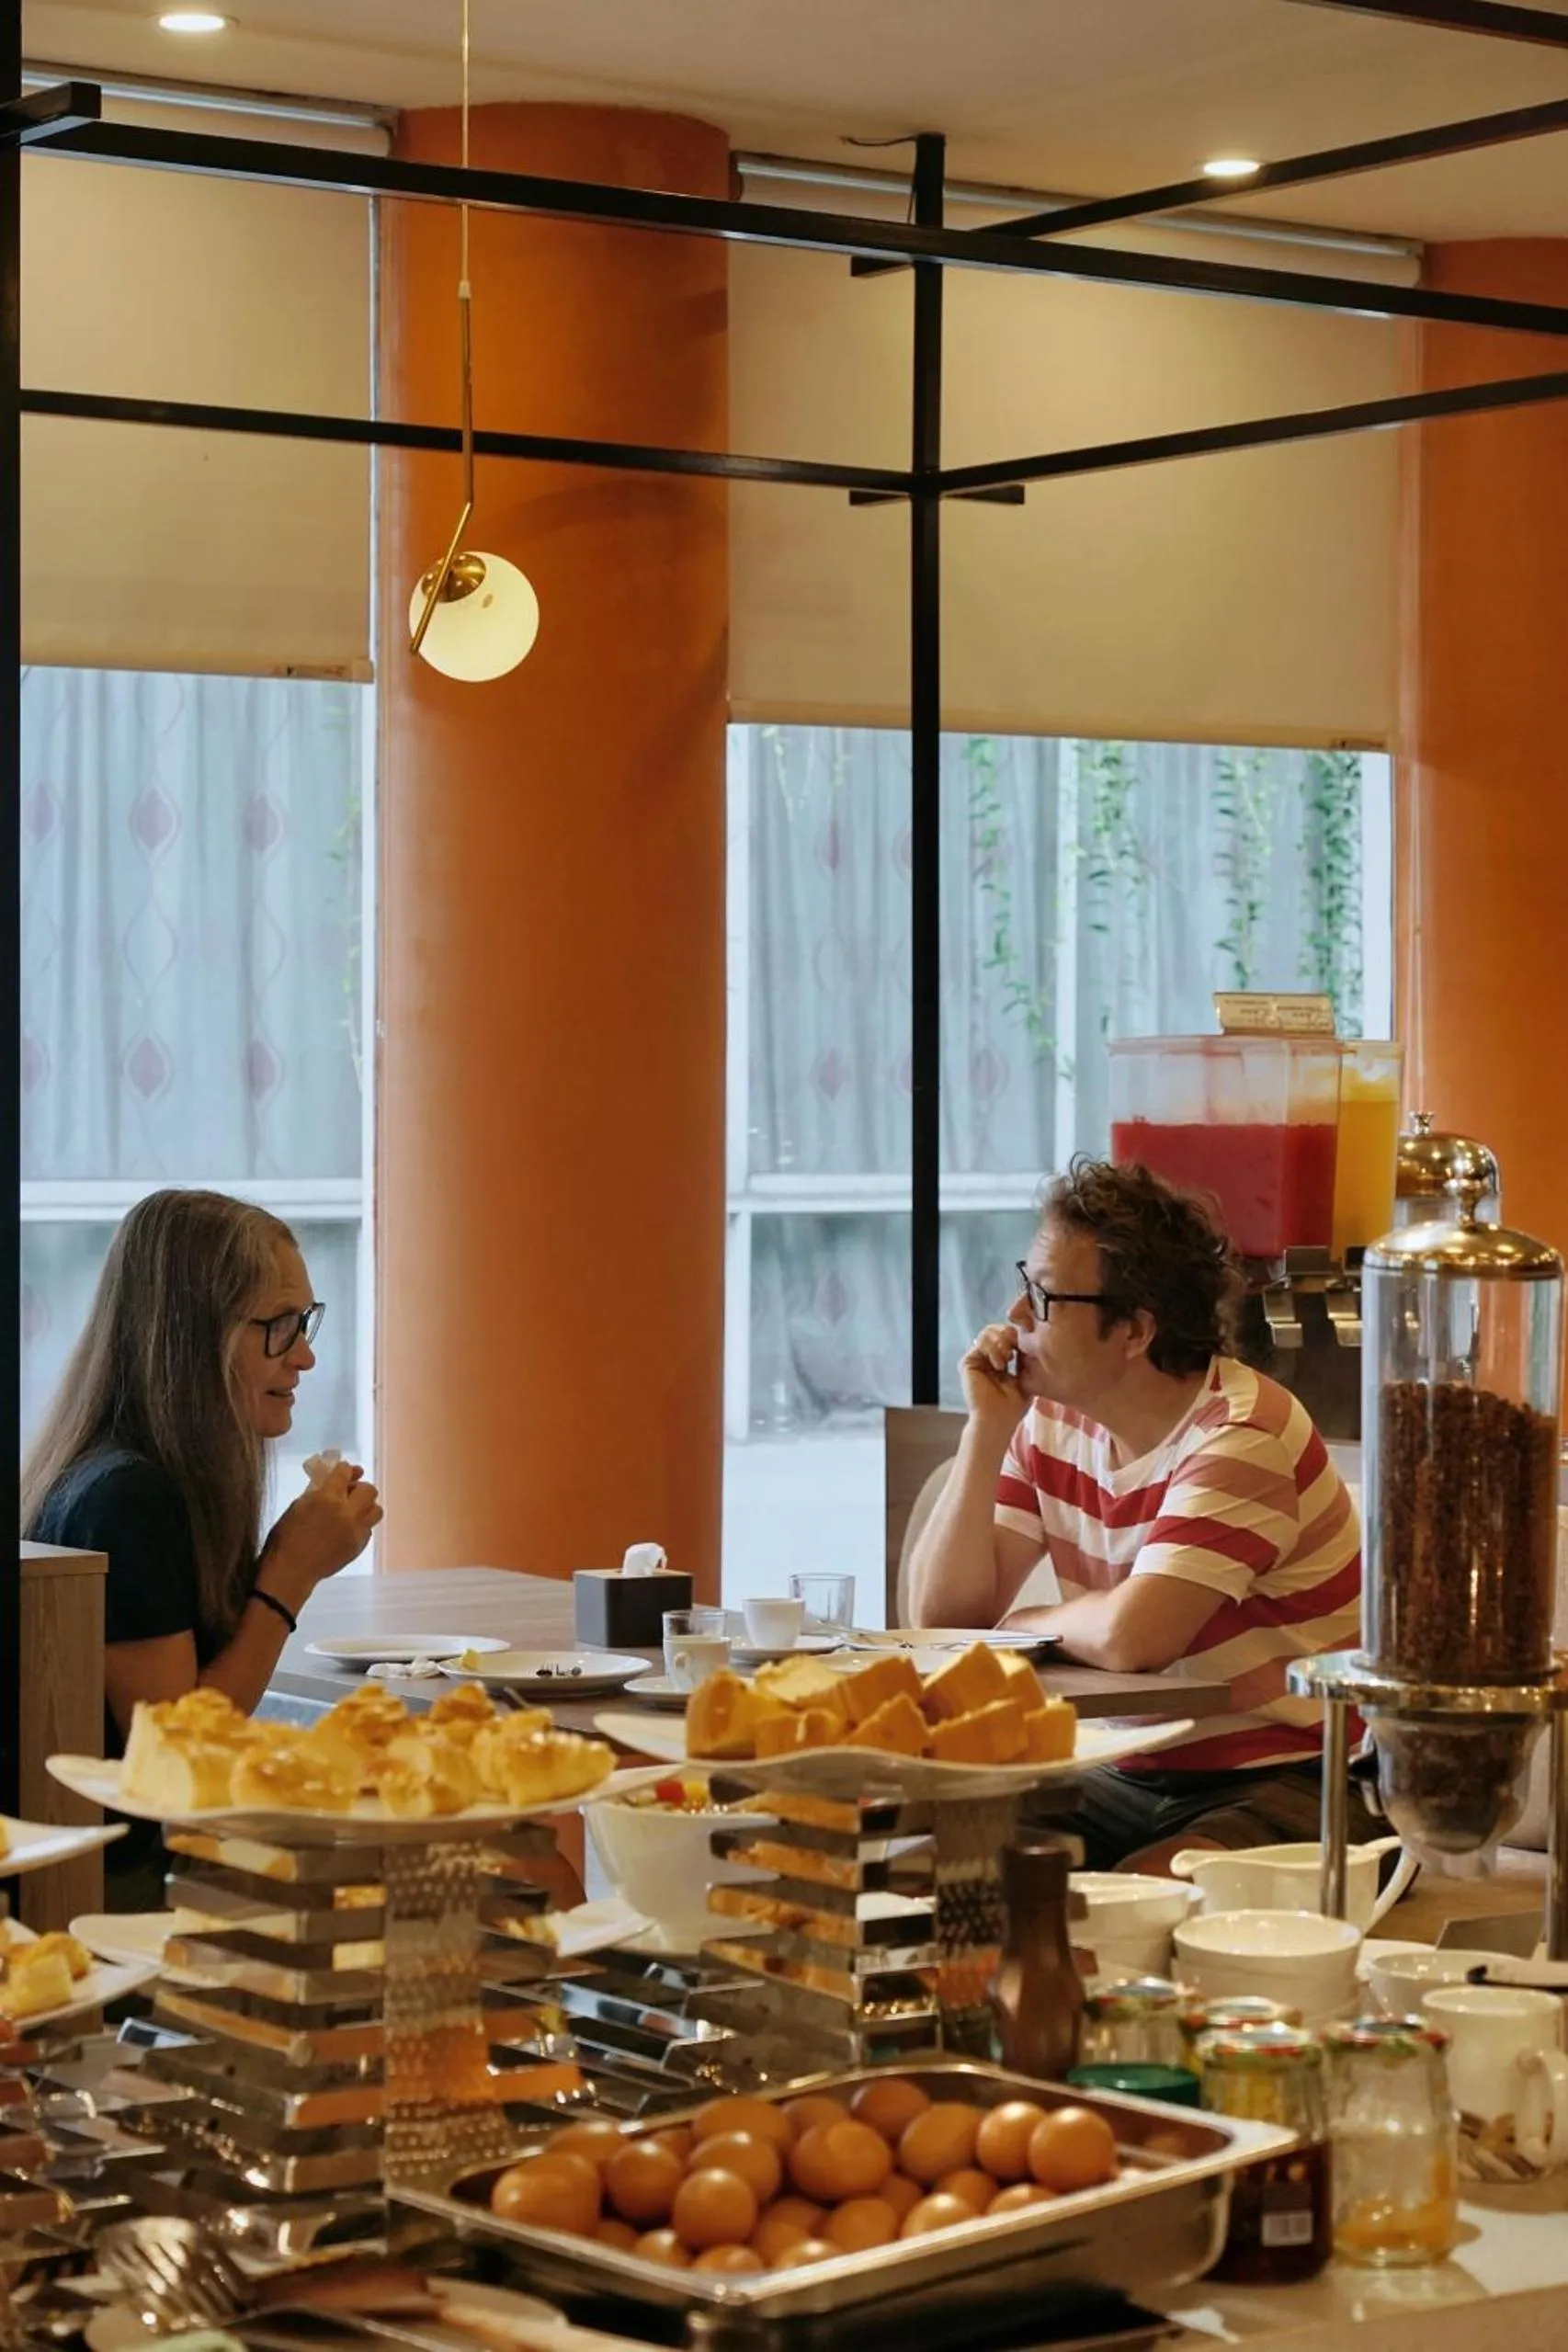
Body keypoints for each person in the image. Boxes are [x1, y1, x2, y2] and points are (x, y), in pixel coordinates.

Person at [907, 1157, 1372, 1873]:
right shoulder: (1052, 1420)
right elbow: (940, 1615)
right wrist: (985, 1430)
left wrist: (1024, 1627)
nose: (1016, 1316)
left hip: (1296, 1774)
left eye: (1046, 1297)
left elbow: (1135, 1636)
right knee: (929, 1854)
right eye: (1025, 1284)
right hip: (1130, 1766)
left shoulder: (1241, 1435)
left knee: (1141, 1896)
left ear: (1134, 1330)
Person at [21, 1189, 381, 1905]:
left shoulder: (127, 1474)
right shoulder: (128, 1498)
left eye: (306, 1320)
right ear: (192, 1335)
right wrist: (288, 1576)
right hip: (119, 1893)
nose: (305, 1355)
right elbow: (182, 1758)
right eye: (279, 1324)